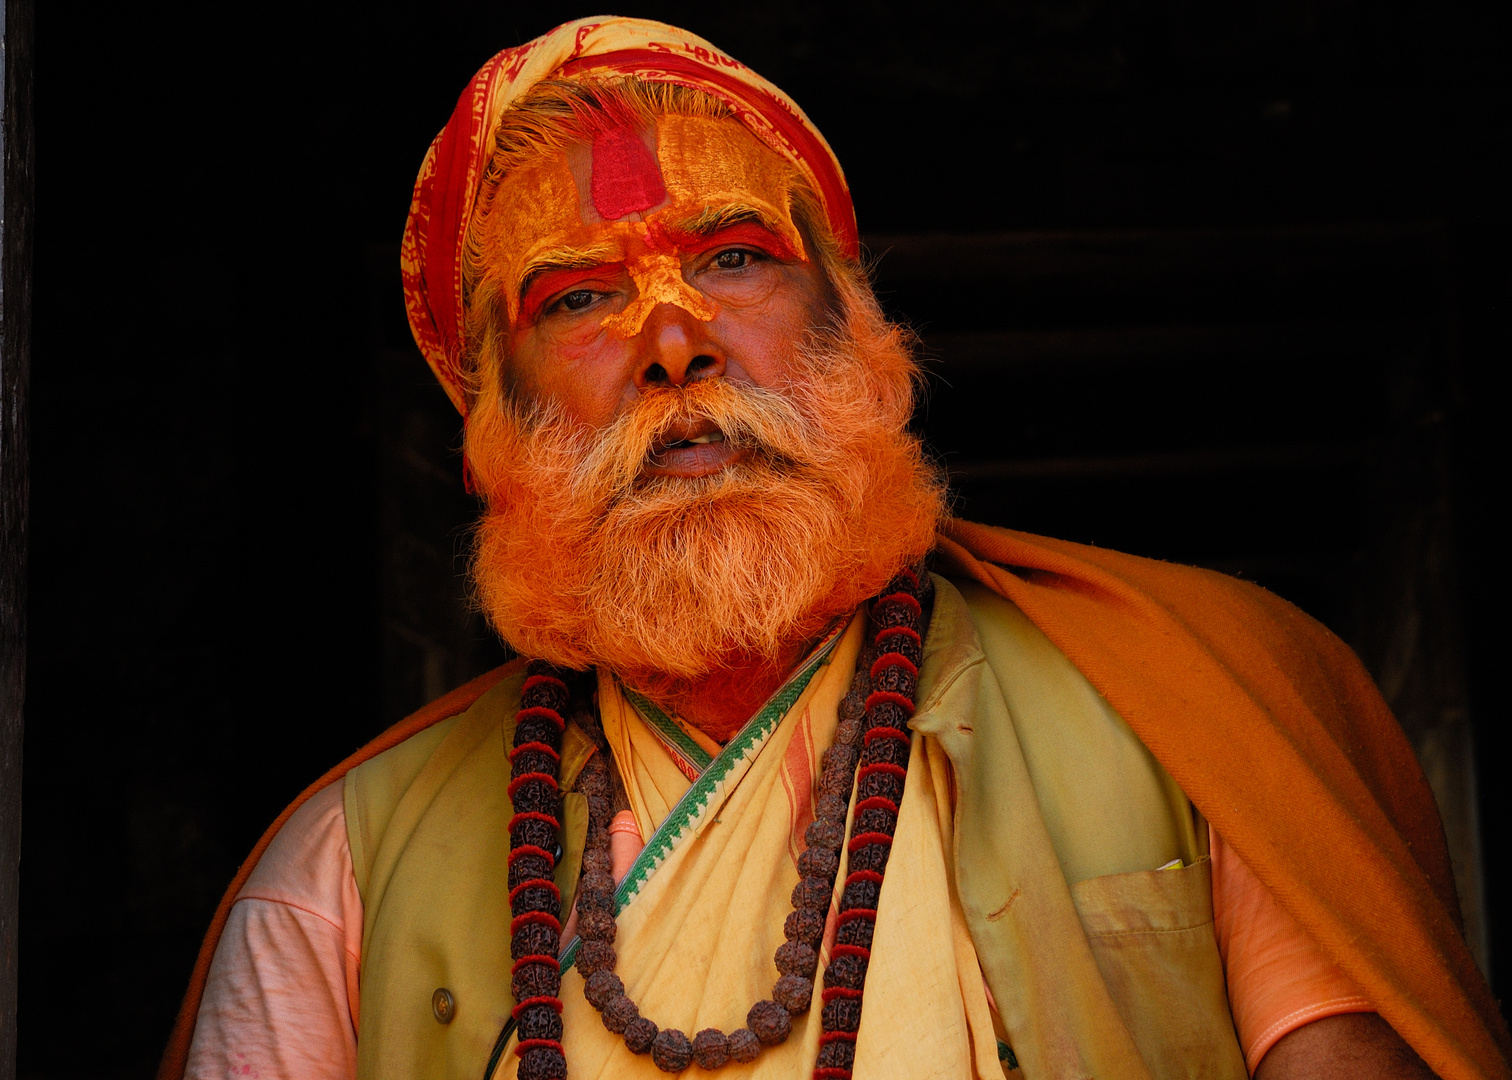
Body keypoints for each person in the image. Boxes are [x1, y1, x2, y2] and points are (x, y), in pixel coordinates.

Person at [160, 17, 1509, 1080]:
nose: (675, 341)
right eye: (577, 298)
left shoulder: (1200, 712)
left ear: (857, 335)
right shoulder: (342, 875)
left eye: (735, 260)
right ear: (491, 431)